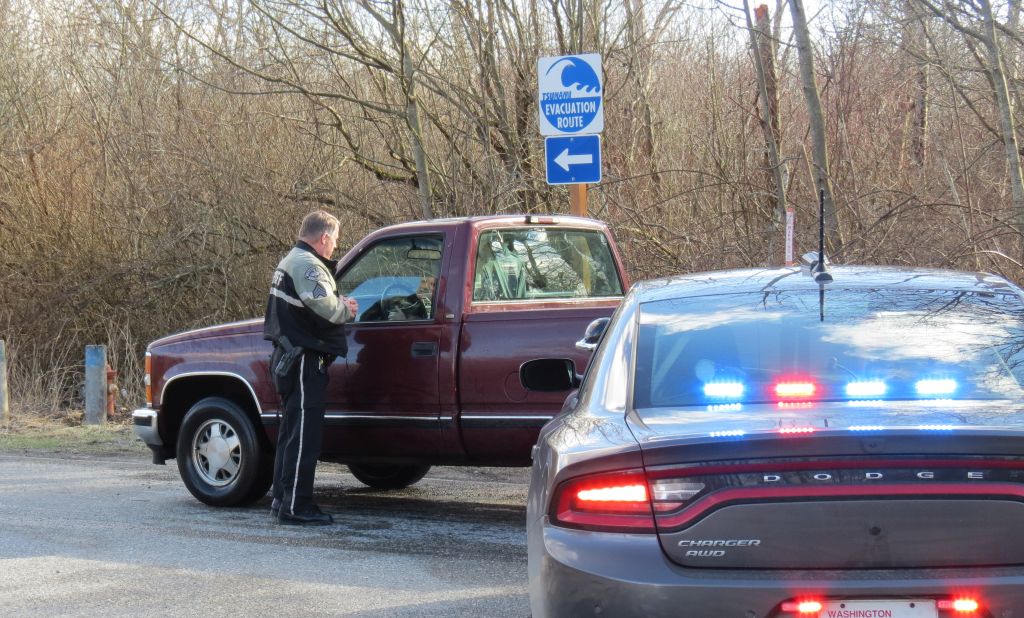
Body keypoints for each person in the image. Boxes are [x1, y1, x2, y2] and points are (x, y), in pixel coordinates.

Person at [264, 211, 358, 525]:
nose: (335, 248)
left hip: (290, 358)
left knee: (292, 434)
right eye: (335, 241)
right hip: (304, 361)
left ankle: (282, 500)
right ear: (324, 237)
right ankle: (296, 506)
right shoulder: (307, 265)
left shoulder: (290, 260)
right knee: (305, 437)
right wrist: (347, 307)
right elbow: (327, 309)